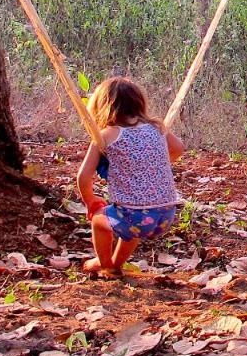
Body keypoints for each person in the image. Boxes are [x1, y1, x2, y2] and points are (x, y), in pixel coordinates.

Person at [76, 77, 184, 278]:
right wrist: (153, 166)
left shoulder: (106, 136)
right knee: (131, 228)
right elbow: (178, 149)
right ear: (139, 103)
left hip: (135, 217)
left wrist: (91, 202)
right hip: (166, 215)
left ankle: (105, 264)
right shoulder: (157, 127)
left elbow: (83, 177)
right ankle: (117, 264)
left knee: (100, 220)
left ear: (102, 107)